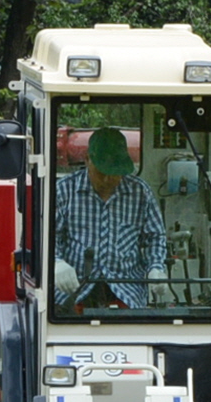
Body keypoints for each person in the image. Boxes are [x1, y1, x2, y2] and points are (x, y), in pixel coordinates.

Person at [52, 125, 165, 307]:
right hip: (74, 290)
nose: (107, 180)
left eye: (114, 174)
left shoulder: (140, 192)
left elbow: (155, 237)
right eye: (102, 173)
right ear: (88, 160)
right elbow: (49, 237)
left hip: (127, 290)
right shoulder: (64, 190)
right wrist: (56, 263)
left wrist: (156, 268)